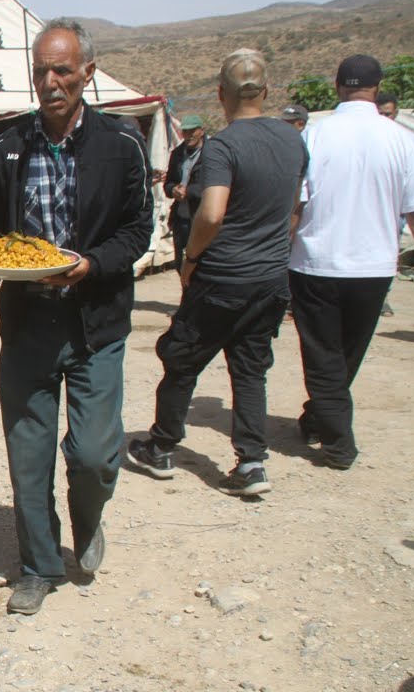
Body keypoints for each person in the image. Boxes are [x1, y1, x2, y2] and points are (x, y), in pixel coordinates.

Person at [0, 19, 152, 615]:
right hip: (28, 322)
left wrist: (91, 265)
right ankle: (38, 565)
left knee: (94, 455)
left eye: (62, 70)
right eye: (41, 72)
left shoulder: (122, 143)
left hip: (95, 322)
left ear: (87, 72)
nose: (51, 82)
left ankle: (88, 517)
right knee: (28, 454)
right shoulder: (5, 147)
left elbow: (138, 230)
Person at [128, 49, 308, 496]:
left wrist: (190, 258)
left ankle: (161, 446)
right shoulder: (293, 141)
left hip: (223, 276)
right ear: (266, 90)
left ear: (221, 93)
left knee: (181, 359)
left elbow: (211, 213)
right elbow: (293, 207)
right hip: (270, 277)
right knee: (249, 370)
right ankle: (251, 462)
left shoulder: (223, 146)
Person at [289, 54, 414, 471]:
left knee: (323, 354)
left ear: (337, 86)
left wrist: (280, 250)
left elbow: (296, 205)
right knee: (347, 353)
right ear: (376, 88)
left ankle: (338, 442)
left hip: (316, 261)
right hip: (374, 265)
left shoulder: (314, 136)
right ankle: (320, 419)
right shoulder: (403, 140)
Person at [164, 115, 207, 268]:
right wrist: (173, 190)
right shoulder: (177, 154)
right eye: (185, 132)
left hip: (202, 218)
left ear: (201, 131)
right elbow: (168, 183)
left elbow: (211, 185)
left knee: (202, 263)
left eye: (191, 131)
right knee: (180, 263)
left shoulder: (212, 153)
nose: (188, 136)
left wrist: (188, 191)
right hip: (181, 218)